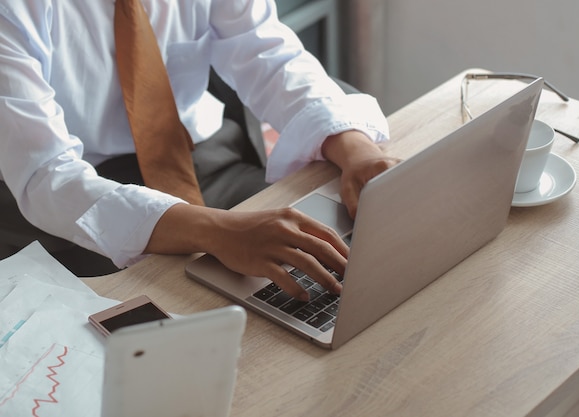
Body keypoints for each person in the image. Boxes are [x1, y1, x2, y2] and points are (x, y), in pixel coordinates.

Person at [0, 0, 397, 301]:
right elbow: (45, 174)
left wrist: (354, 147)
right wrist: (218, 231)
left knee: (347, 265)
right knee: (165, 323)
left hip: (202, 157)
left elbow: (267, 52)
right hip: (69, 201)